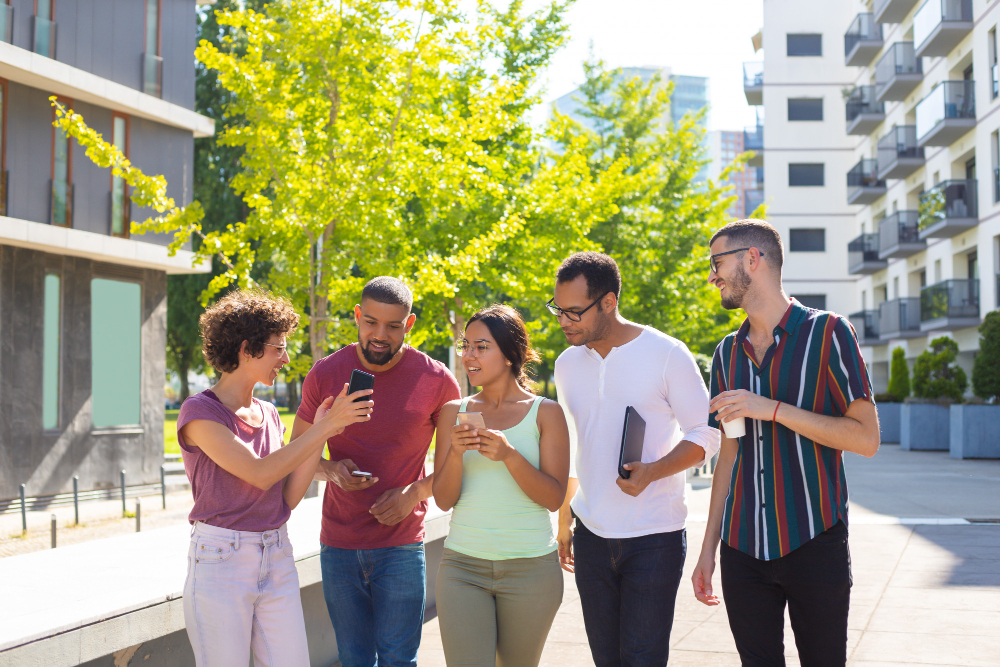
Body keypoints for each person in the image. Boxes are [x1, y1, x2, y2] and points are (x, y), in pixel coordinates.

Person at [693, 219, 880, 667]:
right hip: (741, 550)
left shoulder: (830, 333)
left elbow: (867, 438)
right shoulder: (726, 353)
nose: (712, 275)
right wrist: (707, 551)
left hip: (814, 541)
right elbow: (730, 454)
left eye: (717, 262)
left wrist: (772, 408)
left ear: (751, 259)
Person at [177, 289, 374, 666]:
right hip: (221, 559)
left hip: (276, 551)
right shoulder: (200, 413)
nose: (285, 359)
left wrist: (324, 431)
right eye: (277, 348)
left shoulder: (269, 413)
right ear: (247, 348)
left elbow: (285, 497)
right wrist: (325, 427)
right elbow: (258, 473)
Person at [552, 252, 721, 667]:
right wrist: (564, 522)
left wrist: (654, 471)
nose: (563, 321)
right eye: (557, 310)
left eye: (574, 311)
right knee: (606, 660)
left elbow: (707, 433)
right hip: (590, 535)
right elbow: (574, 446)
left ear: (608, 302)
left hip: (654, 538)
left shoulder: (667, 353)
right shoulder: (566, 364)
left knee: (642, 660)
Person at [291, 276, 461, 667]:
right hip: (339, 542)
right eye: (370, 322)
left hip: (402, 545)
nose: (379, 335)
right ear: (356, 317)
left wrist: (413, 494)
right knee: (353, 660)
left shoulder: (436, 381)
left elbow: (457, 465)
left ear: (410, 323)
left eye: (393, 326)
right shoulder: (325, 373)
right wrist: (332, 470)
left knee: (400, 660)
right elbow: (295, 456)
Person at [432, 304, 571, 667]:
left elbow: (554, 498)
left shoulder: (546, 413)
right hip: (463, 568)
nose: (468, 355)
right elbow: (444, 500)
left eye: (481, 346)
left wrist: (510, 456)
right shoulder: (452, 412)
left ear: (510, 355)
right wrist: (456, 454)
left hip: (531, 572)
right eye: (466, 345)